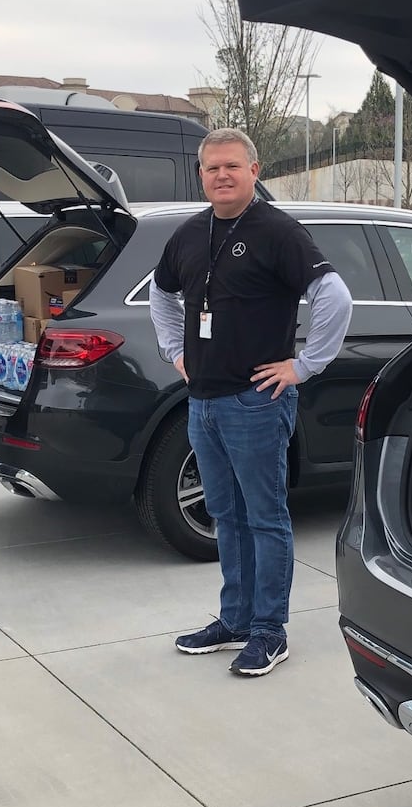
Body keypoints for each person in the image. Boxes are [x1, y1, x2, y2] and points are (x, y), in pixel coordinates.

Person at [150, 128, 352, 677]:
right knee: (225, 516)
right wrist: (174, 349)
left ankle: (269, 630)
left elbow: (335, 295)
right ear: (201, 174)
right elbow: (161, 292)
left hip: (256, 403)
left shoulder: (278, 231)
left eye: (232, 167)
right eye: (212, 167)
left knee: (265, 518)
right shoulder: (190, 234)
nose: (221, 175)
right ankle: (234, 619)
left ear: (254, 170)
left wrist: (304, 365)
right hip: (204, 401)